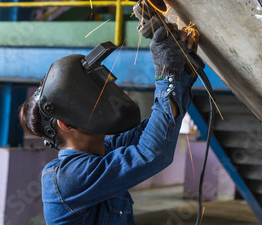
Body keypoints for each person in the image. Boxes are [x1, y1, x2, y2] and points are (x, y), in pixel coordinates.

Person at [19, 24, 199, 224]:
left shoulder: (104, 149)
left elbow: (158, 129)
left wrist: (180, 74)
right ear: (66, 124)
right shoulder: (66, 177)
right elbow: (152, 154)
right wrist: (167, 73)